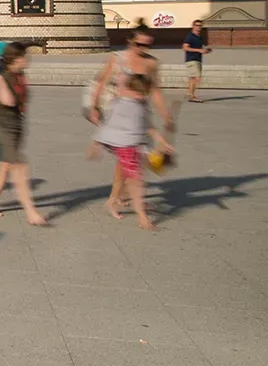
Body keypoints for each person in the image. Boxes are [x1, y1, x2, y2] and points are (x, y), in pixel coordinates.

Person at [89, 22, 172, 211]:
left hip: (140, 112)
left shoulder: (151, 63)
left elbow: (155, 90)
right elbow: (101, 82)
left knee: (129, 157)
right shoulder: (117, 59)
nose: (143, 49)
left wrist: (165, 114)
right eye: (139, 44)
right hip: (119, 112)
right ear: (130, 42)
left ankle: (118, 196)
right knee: (129, 155)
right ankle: (118, 197)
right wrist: (94, 106)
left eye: (147, 45)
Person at [95, 72, 171, 230]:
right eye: (140, 94)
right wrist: (96, 144)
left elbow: (147, 126)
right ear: (131, 90)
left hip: (136, 147)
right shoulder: (120, 104)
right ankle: (142, 217)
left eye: (144, 94)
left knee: (130, 177)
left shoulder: (139, 105)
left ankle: (112, 202)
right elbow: (108, 125)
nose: (142, 97)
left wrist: (162, 141)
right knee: (137, 182)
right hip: (125, 147)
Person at [0, 42, 46, 226]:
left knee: (5, 166)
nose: (28, 60)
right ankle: (31, 212)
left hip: (17, 125)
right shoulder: (2, 77)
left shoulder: (20, 75)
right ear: (15, 60)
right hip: (2, 128)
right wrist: (0, 81)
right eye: (24, 57)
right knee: (19, 166)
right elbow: (8, 101)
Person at [183, 19, 211, 102]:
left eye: (200, 25)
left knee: (194, 78)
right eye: (197, 25)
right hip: (191, 59)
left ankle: (191, 95)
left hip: (198, 59)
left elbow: (199, 48)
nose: (198, 27)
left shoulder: (199, 37)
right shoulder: (190, 36)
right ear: (193, 26)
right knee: (196, 78)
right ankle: (192, 96)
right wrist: (199, 50)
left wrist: (205, 50)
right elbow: (185, 47)